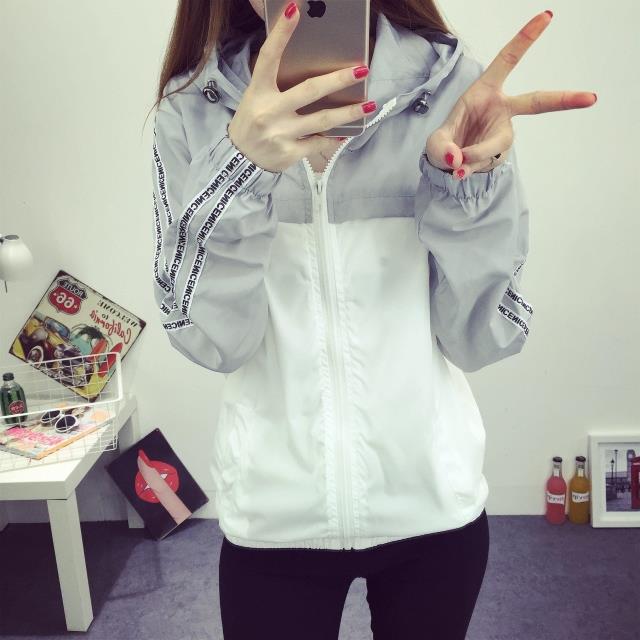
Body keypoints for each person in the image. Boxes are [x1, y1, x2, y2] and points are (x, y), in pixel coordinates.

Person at [148, 2, 596, 638]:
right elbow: (213, 341)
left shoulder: (453, 89)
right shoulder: (191, 108)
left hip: (432, 506)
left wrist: (463, 189)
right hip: (275, 517)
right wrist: (238, 168)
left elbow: (484, 337)